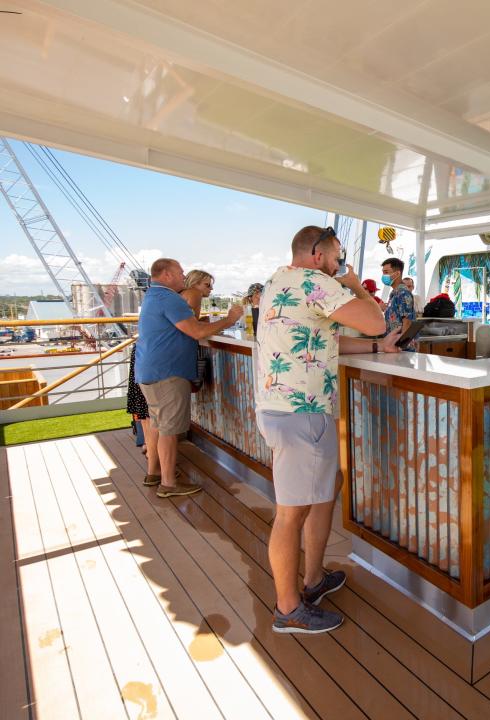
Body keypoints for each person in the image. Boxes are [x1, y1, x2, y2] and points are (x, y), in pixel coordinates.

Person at [256, 225, 402, 635]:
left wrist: (378, 348)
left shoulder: (278, 282)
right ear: (318, 254)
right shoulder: (315, 282)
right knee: (291, 514)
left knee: (323, 491)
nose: (341, 264)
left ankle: (314, 580)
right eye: (338, 256)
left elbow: (323, 340)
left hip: (283, 409)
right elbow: (374, 321)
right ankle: (288, 609)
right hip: (302, 413)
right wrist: (356, 285)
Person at [136, 258, 243, 497]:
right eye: (180, 272)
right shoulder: (169, 298)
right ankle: (168, 485)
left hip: (150, 369)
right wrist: (230, 319)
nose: (184, 276)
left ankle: (154, 473)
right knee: (169, 430)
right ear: (166, 275)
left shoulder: (153, 296)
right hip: (168, 372)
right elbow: (195, 331)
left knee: (158, 424)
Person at [381, 257, 415, 335]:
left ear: (397, 274)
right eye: (383, 272)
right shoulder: (394, 294)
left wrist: (400, 345)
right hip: (392, 342)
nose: (383, 276)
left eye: (386, 272)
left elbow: (407, 322)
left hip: (401, 345)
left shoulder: (403, 294)